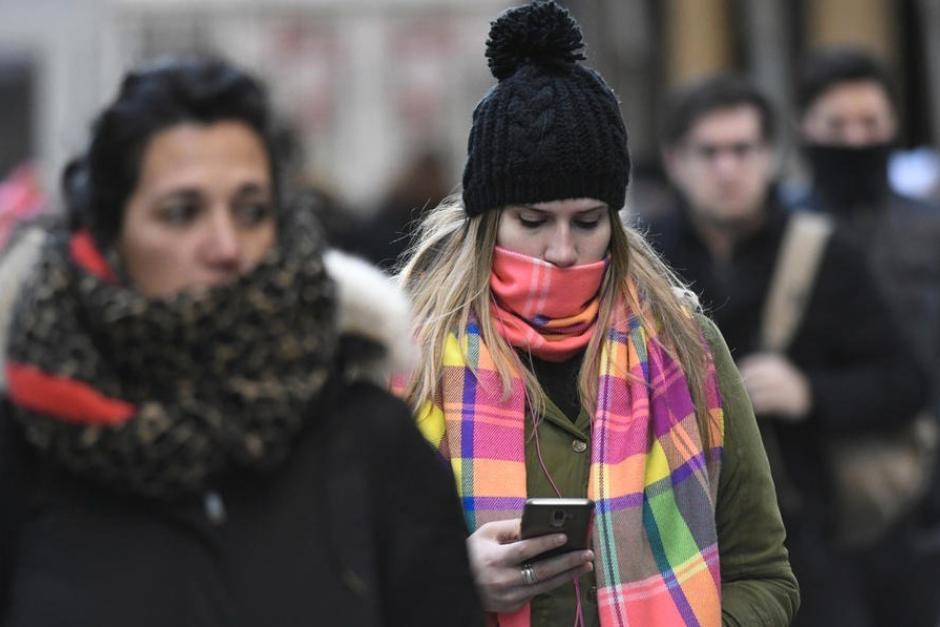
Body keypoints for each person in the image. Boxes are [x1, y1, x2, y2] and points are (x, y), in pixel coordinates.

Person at [0, 58, 482, 627]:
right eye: (183, 212)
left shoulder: (370, 444)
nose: (226, 245)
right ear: (109, 235)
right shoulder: (26, 443)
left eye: (251, 211)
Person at [395, 3, 798, 626]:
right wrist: (455, 584)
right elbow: (347, 582)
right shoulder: (407, 362)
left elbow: (763, 574)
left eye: (586, 222)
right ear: (486, 222)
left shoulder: (688, 350)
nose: (561, 251)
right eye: (532, 221)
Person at [647, 73, 930, 627]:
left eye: (742, 150)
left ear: (771, 156)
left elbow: (906, 383)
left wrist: (809, 393)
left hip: (813, 541)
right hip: (677, 536)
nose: (727, 169)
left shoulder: (824, 253)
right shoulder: (646, 259)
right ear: (676, 161)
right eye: (708, 152)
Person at [791, 46, 940, 627]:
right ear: (806, 129)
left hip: (924, 490)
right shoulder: (789, 234)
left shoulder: (927, 231)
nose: (855, 140)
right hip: (822, 496)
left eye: (870, 124)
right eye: (837, 125)